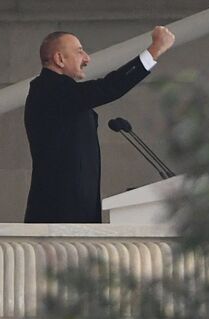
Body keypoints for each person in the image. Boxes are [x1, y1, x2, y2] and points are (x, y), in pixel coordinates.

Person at [24, 26, 175, 223]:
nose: (87, 58)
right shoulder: (48, 90)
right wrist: (154, 51)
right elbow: (108, 87)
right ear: (59, 59)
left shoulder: (64, 94)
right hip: (59, 215)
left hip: (72, 214)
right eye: (79, 52)